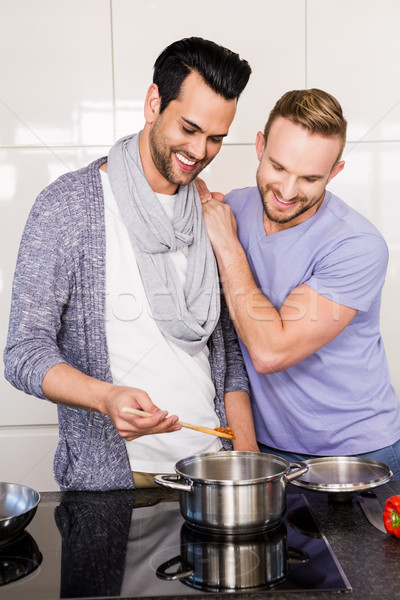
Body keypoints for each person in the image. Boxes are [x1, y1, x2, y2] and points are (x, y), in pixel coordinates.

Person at [3, 37, 259, 492]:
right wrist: (106, 398)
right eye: (190, 128)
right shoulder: (68, 207)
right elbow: (24, 352)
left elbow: (226, 356)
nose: (200, 151)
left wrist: (247, 461)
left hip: (212, 469)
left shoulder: (209, 214)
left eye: (216, 138)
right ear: (153, 102)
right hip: (119, 482)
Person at [199, 88, 400, 479]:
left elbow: (270, 353)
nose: (288, 191)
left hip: (358, 455)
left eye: (310, 178)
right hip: (267, 450)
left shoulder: (358, 245)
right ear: (260, 146)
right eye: (278, 167)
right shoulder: (233, 209)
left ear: (335, 172)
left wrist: (226, 244)